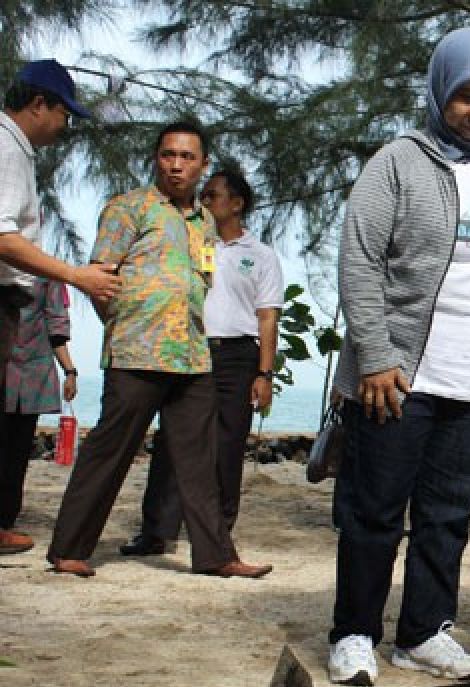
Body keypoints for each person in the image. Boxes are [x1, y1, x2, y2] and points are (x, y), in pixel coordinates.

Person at [326, 28, 470, 687]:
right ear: (440, 90)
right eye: (466, 96)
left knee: (447, 518)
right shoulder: (397, 162)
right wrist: (378, 357)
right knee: (375, 514)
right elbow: (359, 262)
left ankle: (422, 634)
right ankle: (355, 633)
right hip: (398, 379)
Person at [45, 121, 272, 580]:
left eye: (187, 157)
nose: (176, 164)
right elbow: (98, 277)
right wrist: (124, 323)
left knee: (198, 460)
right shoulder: (128, 208)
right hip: (137, 352)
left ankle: (215, 555)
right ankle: (69, 549)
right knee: (109, 450)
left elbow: (203, 280)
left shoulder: (205, 223)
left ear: (202, 165)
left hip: (191, 355)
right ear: (156, 158)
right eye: (168, 154)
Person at [120, 168, 284, 556]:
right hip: (188, 347)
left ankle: (218, 532)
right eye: (202, 196)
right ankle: (157, 531)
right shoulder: (190, 243)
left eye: (211, 196)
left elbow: (267, 317)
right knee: (172, 440)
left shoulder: (260, 256)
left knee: (227, 445)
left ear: (237, 204)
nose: (204, 202)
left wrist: (264, 372)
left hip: (238, 356)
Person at [0, 58, 121, 377]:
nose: (65, 128)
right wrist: (75, 275)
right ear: (39, 104)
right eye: (64, 116)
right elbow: (3, 239)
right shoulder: (7, 148)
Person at [0, 278, 76, 554]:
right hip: (7, 369)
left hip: (30, 375)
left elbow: (57, 327)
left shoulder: (47, 277)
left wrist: (70, 371)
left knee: (17, 453)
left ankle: (5, 523)